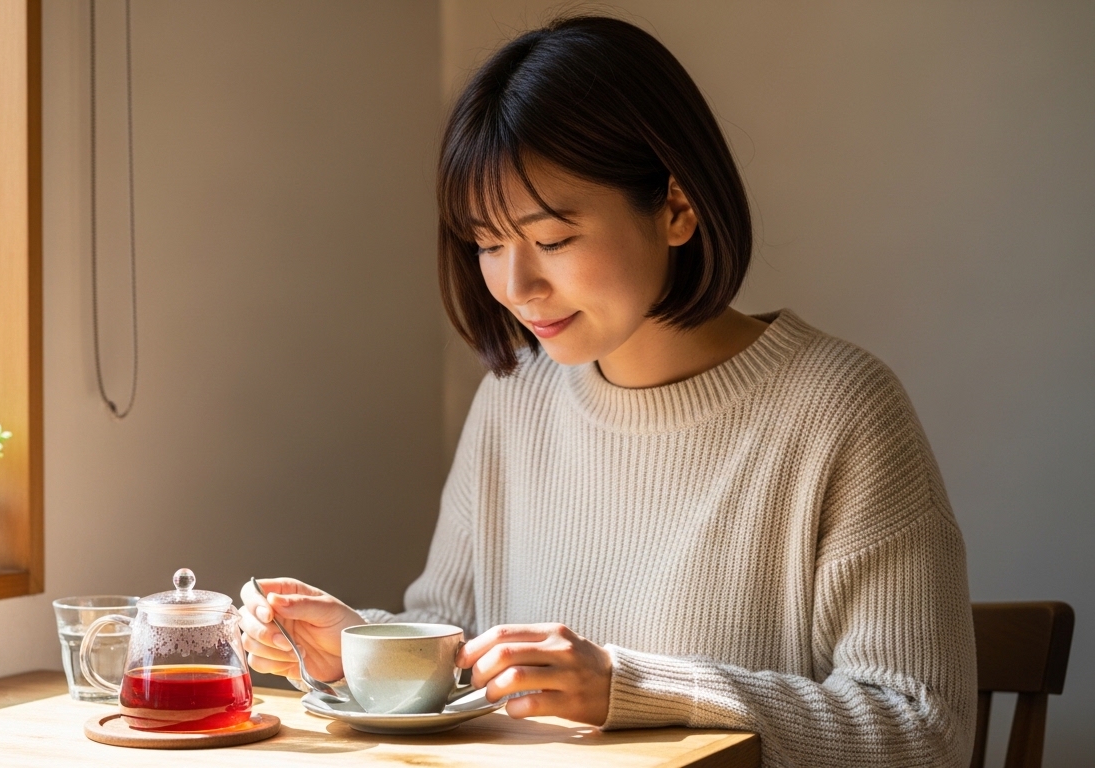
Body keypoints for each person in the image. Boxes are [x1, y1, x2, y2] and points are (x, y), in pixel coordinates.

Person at [239, 15, 976, 767]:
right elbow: (454, 644)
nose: (515, 286)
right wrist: (355, 646)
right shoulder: (514, 400)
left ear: (677, 209)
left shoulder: (841, 410)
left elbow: (924, 727)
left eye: (552, 240)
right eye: (488, 244)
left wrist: (631, 686)